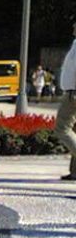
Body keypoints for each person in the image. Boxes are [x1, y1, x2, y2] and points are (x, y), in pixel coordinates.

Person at [54, 21, 76, 181]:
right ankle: (75, 171)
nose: (73, 26)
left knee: (62, 129)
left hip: (73, 93)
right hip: (71, 91)